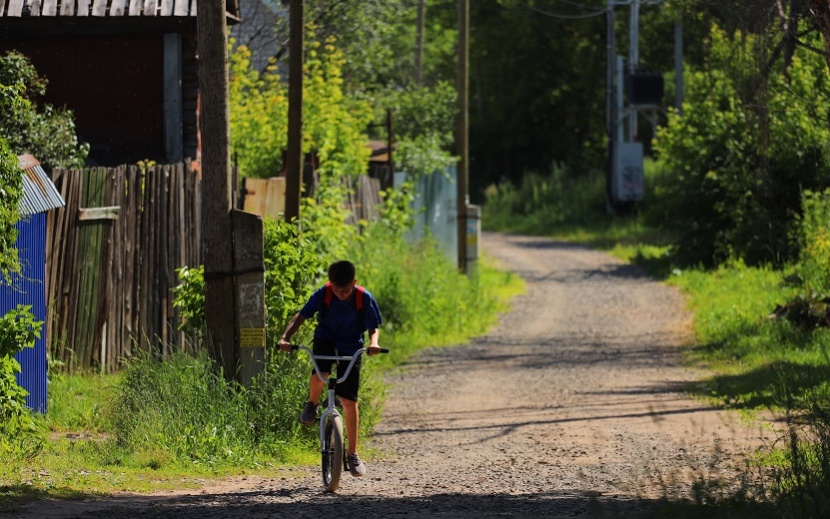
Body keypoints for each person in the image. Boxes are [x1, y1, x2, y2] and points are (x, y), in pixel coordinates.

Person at [278, 260, 383, 477]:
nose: (340, 293)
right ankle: (312, 403)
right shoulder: (323, 293)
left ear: (354, 283)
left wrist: (373, 343)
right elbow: (302, 315)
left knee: (349, 401)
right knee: (320, 373)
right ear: (330, 283)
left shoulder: (364, 297)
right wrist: (285, 337)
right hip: (325, 340)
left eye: (345, 290)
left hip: (351, 346)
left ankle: (352, 454)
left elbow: (374, 326)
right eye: (336, 288)